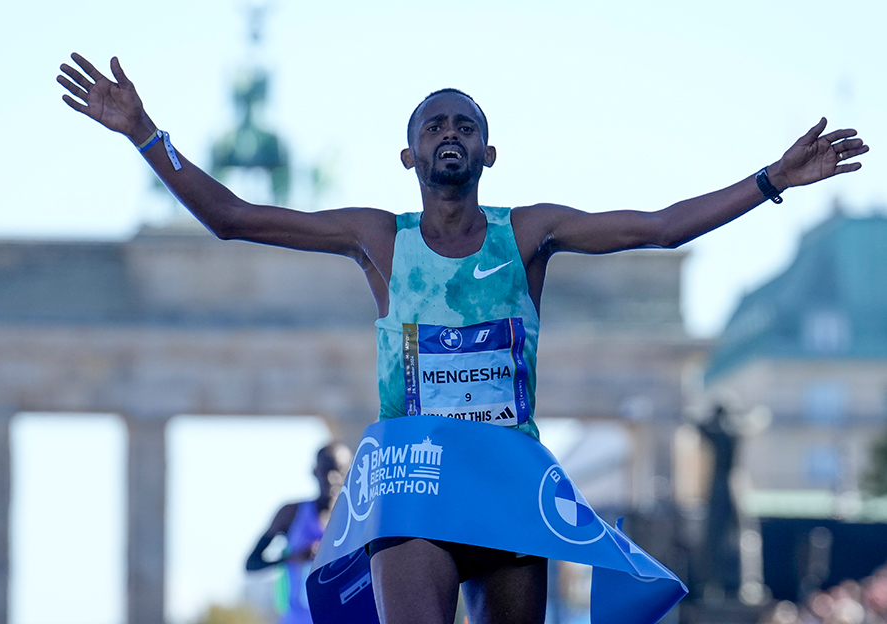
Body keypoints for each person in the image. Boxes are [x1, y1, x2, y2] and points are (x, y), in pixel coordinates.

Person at [57, 53, 869, 624]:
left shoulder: (529, 234)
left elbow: (656, 229)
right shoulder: (378, 238)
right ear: (409, 154)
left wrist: (770, 181)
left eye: (466, 124)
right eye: (435, 123)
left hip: (509, 483)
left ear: (487, 152)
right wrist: (145, 134)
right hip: (413, 482)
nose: (451, 131)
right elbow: (233, 220)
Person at [245, 442, 352, 624]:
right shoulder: (291, 513)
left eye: (341, 471)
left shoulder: (358, 518)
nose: (334, 478)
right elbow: (251, 564)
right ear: (314, 471)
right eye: (327, 470)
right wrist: (293, 558)